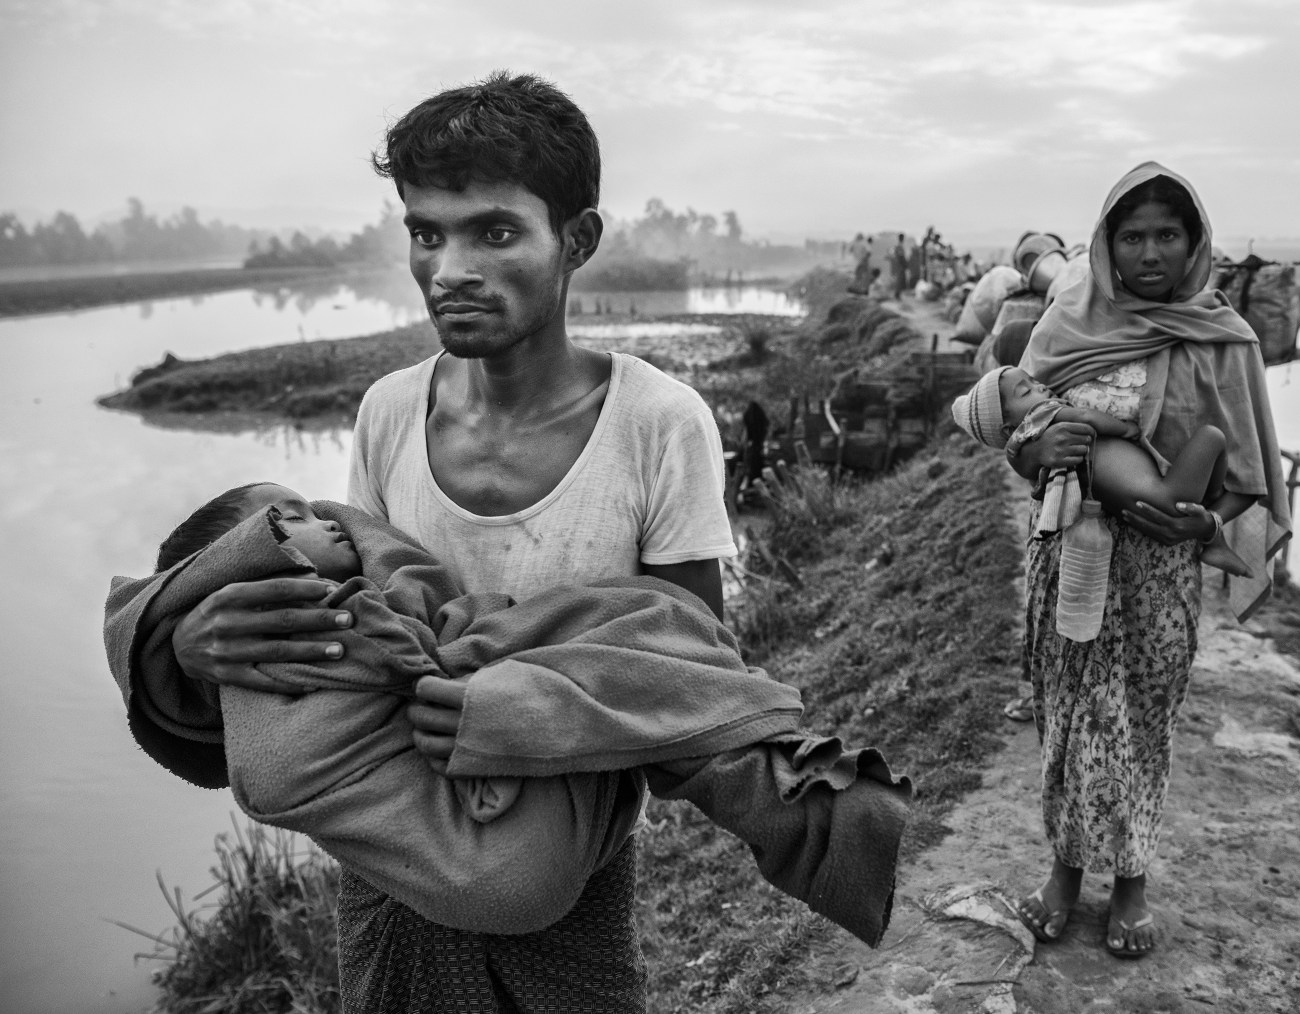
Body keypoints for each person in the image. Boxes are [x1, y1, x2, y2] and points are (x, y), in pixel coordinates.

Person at [126, 72, 739, 1011]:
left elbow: (693, 674)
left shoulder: (657, 424)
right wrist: (196, 644)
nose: (449, 269)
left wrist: (530, 710)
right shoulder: (388, 412)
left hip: (562, 871)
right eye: (425, 234)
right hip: (391, 872)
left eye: (494, 233)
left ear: (577, 240)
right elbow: (353, 622)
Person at [107, 482, 908, 948]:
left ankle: (798, 806)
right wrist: (180, 638)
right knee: (628, 625)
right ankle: (804, 805)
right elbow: (407, 663)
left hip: (519, 868)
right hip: (473, 859)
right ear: (267, 547)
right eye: (302, 517)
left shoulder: (656, 419)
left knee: (627, 643)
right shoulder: (299, 636)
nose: (335, 519)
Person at [1002, 163, 1290, 959]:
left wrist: (1206, 520)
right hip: (1072, 551)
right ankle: (1064, 873)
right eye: (1133, 236)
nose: (1151, 252)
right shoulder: (1067, 321)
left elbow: (1246, 475)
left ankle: (1130, 882)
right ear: (1108, 245)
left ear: (1195, 244)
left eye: (1168, 235)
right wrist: (1037, 452)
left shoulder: (1223, 338)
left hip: (1161, 571)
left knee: (1142, 722)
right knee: (1067, 716)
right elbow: (1017, 433)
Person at [951, 365, 1254, 576]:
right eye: (1025, 391)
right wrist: (1126, 429)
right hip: (1166, 499)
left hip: (1153, 504)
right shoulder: (1044, 413)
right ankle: (1213, 504)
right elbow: (1086, 416)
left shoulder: (1028, 441)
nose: (1039, 385)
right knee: (1213, 436)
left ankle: (1212, 533)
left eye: (1032, 379)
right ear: (1008, 428)